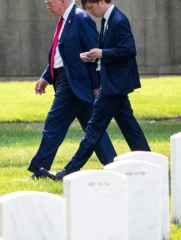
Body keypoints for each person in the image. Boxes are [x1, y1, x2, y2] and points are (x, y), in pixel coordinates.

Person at [40, 0, 151, 181]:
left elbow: (129, 50)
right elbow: (109, 52)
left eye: (90, 7)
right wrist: (92, 57)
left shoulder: (118, 20)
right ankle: (150, 163)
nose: (89, 11)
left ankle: (67, 173)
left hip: (112, 86)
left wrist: (103, 54)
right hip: (114, 84)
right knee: (130, 128)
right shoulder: (108, 19)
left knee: (93, 131)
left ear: (101, 1)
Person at [27, 0, 116, 179]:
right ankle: (113, 164)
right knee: (94, 128)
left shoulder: (81, 18)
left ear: (63, 0)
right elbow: (59, 54)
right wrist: (46, 76)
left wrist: (97, 85)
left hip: (73, 82)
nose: (47, 6)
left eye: (50, 2)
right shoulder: (64, 20)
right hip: (66, 80)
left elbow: (94, 54)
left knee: (53, 125)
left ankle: (39, 171)